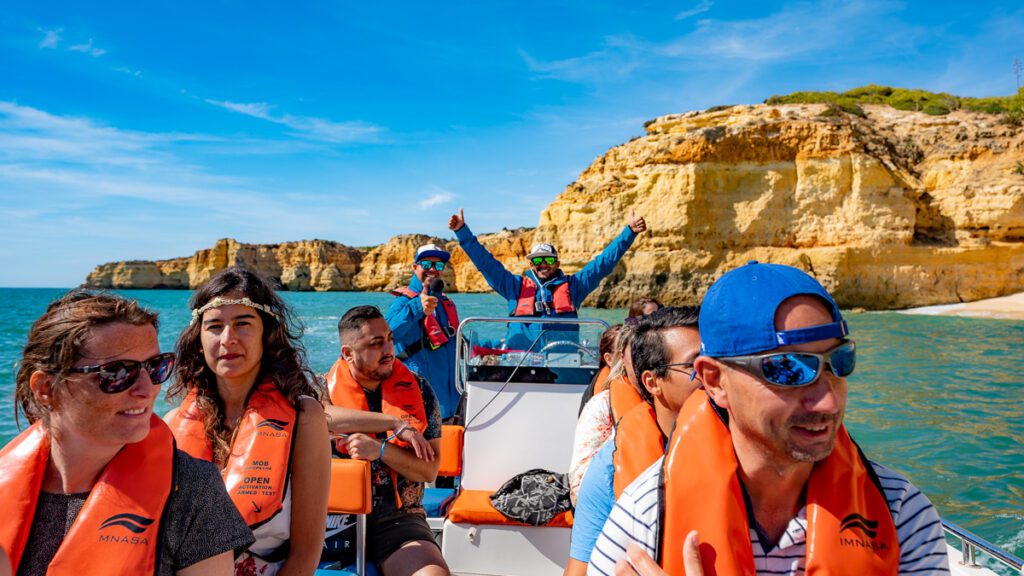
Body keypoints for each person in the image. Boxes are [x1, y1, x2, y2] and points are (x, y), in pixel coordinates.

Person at [590, 262, 950, 575]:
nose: (826, 400)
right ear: (714, 380)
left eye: (840, 362)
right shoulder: (646, 520)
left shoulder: (901, 515)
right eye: (788, 369)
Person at [1, 290, 253, 576]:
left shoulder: (193, 491)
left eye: (156, 367)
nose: (147, 390)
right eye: (117, 373)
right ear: (46, 389)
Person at [165, 268, 330, 576]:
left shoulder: (305, 418)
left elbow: (306, 555)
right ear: (199, 340)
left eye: (243, 324)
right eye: (214, 326)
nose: (228, 339)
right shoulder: (173, 423)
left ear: (267, 334)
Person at [565, 307, 701, 576]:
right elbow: (578, 569)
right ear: (652, 381)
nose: (712, 374)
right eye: (694, 366)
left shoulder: (750, 449)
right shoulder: (608, 469)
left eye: (718, 361)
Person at [323, 306, 449, 576]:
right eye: (376, 344)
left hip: (397, 520)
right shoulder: (318, 390)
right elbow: (323, 417)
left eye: (390, 339)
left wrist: (380, 449)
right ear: (347, 353)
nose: (389, 350)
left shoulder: (421, 390)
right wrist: (392, 423)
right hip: (328, 518)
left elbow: (429, 470)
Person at [448, 208, 646, 351]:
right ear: (531, 264)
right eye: (537, 260)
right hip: (520, 366)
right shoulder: (514, 287)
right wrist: (462, 232)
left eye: (549, 259)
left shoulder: (574, 287)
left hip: (563, 367)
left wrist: (629, 232)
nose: (543, 264)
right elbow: (486, 263)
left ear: (557, 263)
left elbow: (603, 263)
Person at [385, 243, 461, 421]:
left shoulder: (446, 304)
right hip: (420, 408)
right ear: (415, 267)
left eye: (438, 265)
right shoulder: (403, 303)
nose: (433, 269)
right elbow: (387, 333)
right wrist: (418, 307)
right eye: (426, 264)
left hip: (451, 407)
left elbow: (458, 342)